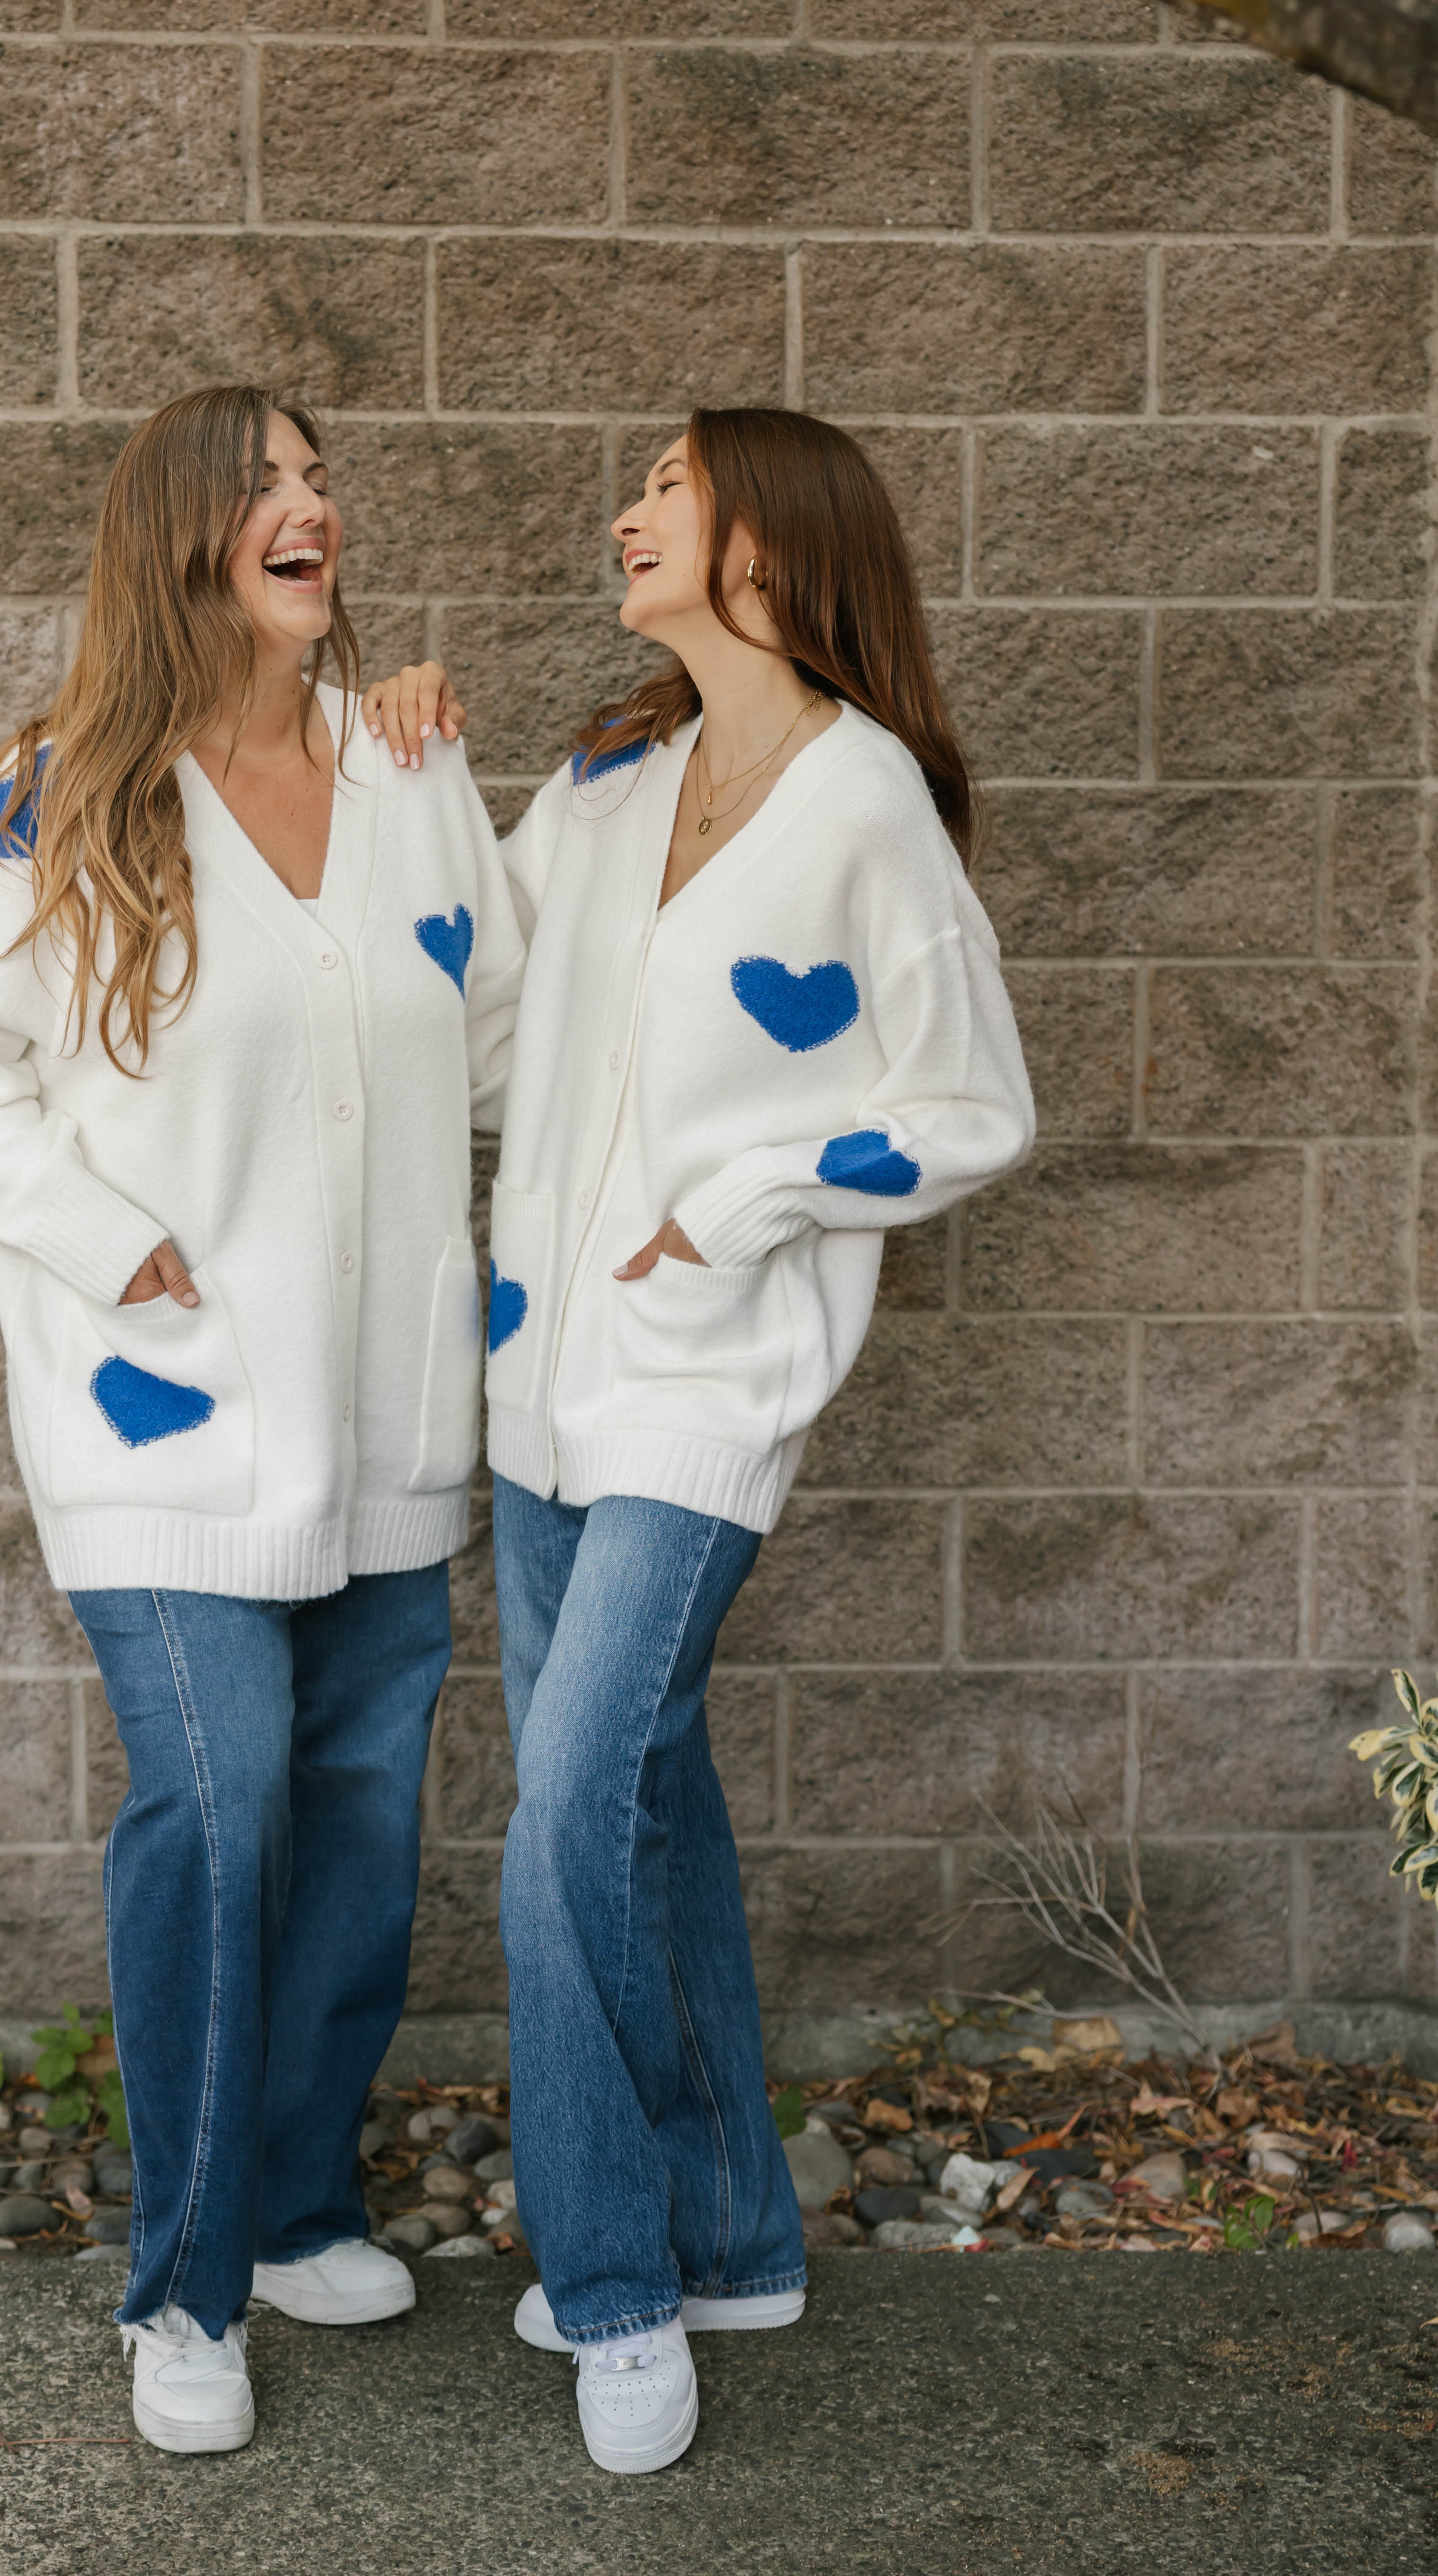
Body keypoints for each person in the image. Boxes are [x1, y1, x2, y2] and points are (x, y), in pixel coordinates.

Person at [366, 407, 1034, 2474]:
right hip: (534, 1384)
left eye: (669, 483)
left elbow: (970, 1104)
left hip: (701, 1387)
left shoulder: (862, 811)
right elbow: (477, 1010)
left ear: (767, 539)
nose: (630, 509)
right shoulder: (603, 778)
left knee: (563, 1809)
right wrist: (411, 793)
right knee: (647, 1802)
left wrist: (740, 1200)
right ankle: (742, 2226)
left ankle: (620, 2276)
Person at [0, 385, 524, 2455]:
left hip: (386, 1413)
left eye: (317, 478)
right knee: (222, 1797)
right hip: (159, 1417)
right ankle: (180, 2282)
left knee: (356, 1821)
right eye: (261, 482)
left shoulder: (410, 767)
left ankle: (285, 2202)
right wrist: (114, 1243)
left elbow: (509, 1036)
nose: (307, 507)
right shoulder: (62, 787)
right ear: (180, 533)